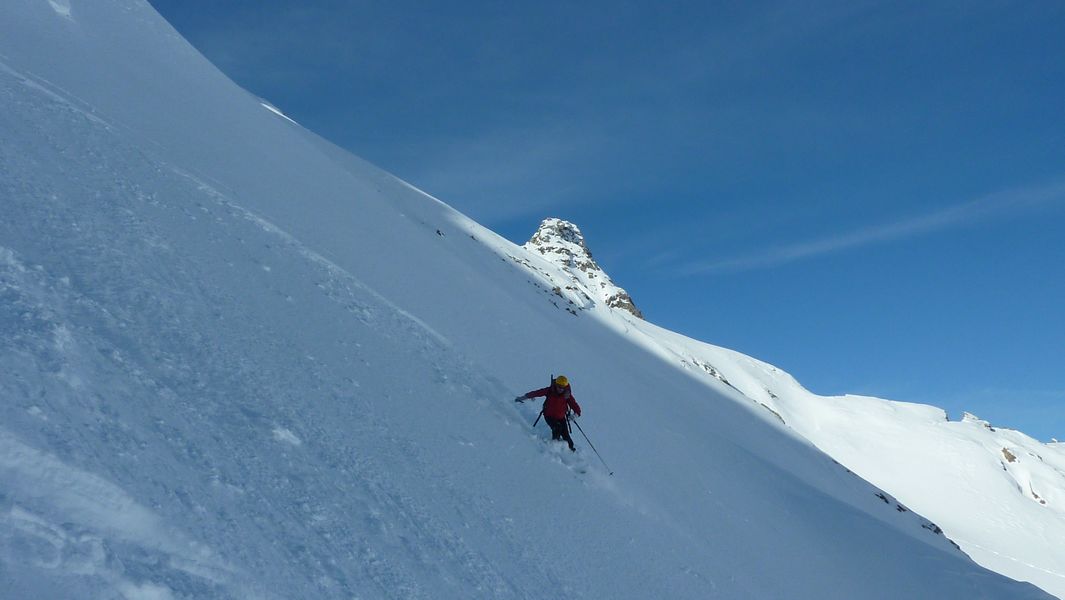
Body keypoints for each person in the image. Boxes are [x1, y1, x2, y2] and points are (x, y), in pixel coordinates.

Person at [515, 375, 582, 451]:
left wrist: (575, 415)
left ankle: (571, 451)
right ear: (556, 385)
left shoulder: (567, 395)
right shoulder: (550, 391)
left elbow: (576, 407)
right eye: (559, 386)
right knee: (557, 428)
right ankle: (554, 446)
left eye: (563, 387)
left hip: (561, 417)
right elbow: (537, 393)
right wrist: (523, 398)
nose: (561, 389)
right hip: (549, 416)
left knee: (566, 436)